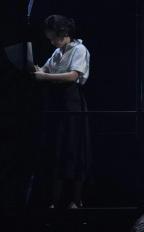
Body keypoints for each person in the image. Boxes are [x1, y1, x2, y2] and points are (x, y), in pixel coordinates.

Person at [34, 14, 90, 208]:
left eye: (53, 38)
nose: (52, 42)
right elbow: (45, 69)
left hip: (72, 103)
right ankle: (55, 201)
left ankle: (76, 200)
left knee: (74, 148)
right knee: (58, 149)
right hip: (57, 103)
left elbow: (73, 76)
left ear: (64, 33)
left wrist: (45, 77)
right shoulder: (58, 52)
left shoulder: (79, 49)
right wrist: (35, 69)